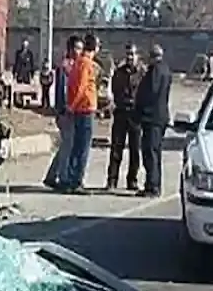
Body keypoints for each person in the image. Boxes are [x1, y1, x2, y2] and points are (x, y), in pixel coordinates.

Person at [43, 36, 83, 190]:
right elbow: (62, 90)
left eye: (81, 49)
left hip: (72, 111)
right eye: (77, 48)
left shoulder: (76, 66)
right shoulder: (65, 67)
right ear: (70, 49)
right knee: (68, 145)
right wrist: (63, 109)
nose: (79, 52)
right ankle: (63, 177)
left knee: (66, 145)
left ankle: (51, 175)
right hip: (66, 112)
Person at [63, 33, 99, 194]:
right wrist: (72, 105)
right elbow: (81, 87)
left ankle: (72, 178)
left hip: (80, 108)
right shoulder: (85, 63)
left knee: (77, 146)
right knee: (82, 148)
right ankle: (76, 181)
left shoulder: (79, 62)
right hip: (84, 109)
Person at [106, 43, 144, 191]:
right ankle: (112, 180)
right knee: (116, 149)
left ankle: (132, 180)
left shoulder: (141, 73)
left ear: (137, 56)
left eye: (132, 54)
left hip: (135, 115)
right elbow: (115, 90)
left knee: (135, 150)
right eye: (128, 54)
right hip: (121, 113)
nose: (130, 57)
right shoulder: (119, 72)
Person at [136, 43, 172, 197]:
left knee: (150, 152)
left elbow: (151, 91)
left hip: (152, 117)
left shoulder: (155, 71)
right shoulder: (166, 70)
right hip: (159, 117)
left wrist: (140, 109)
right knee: (155, 151)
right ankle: (153, 184)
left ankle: (153, 185)